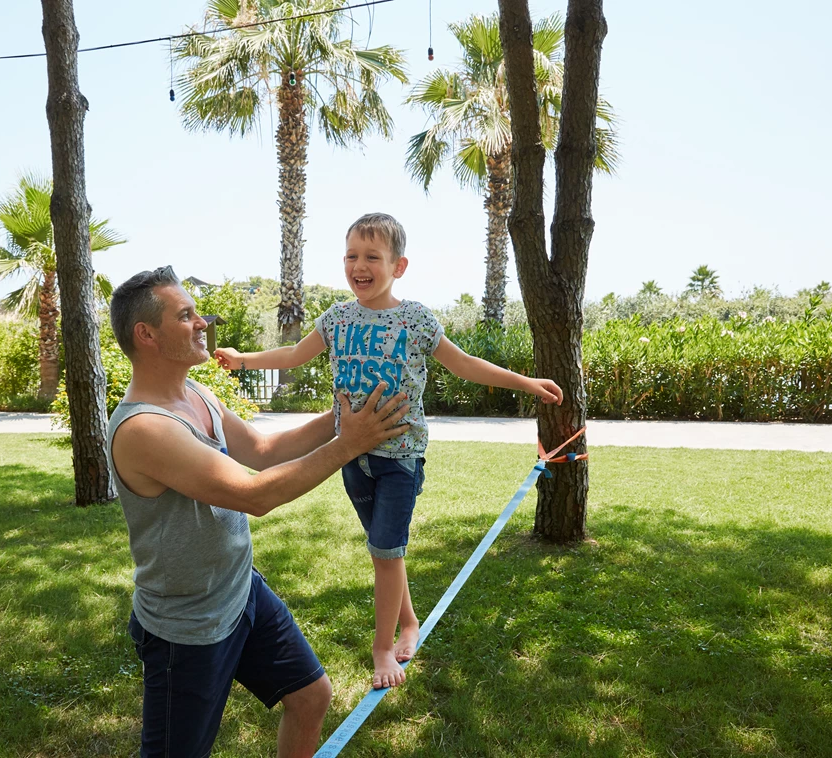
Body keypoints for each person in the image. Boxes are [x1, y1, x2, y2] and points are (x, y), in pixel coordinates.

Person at [215, 212, 564, 690]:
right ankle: (409, 622)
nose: (359, 265)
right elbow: (294, 354)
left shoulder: (416, 319)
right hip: (351, 457)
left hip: (399, 459)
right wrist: (243, 359)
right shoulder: (336, 319)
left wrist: (525, 382)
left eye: (372, 257)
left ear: (398, 266)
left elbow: (465, 364)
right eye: (351, 256)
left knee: (384, 552)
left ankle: (382, 650)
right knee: (389, 553)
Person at [106, 265, 411, 758]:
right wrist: (348, 444)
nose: (203, 322)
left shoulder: (197, 394)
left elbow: (264, 450)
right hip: (188, 625)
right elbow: (255, 494)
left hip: (241, 589)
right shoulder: (145, 429)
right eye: (186, 315)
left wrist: (344, 417)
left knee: (312, 698)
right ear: (147, 335)